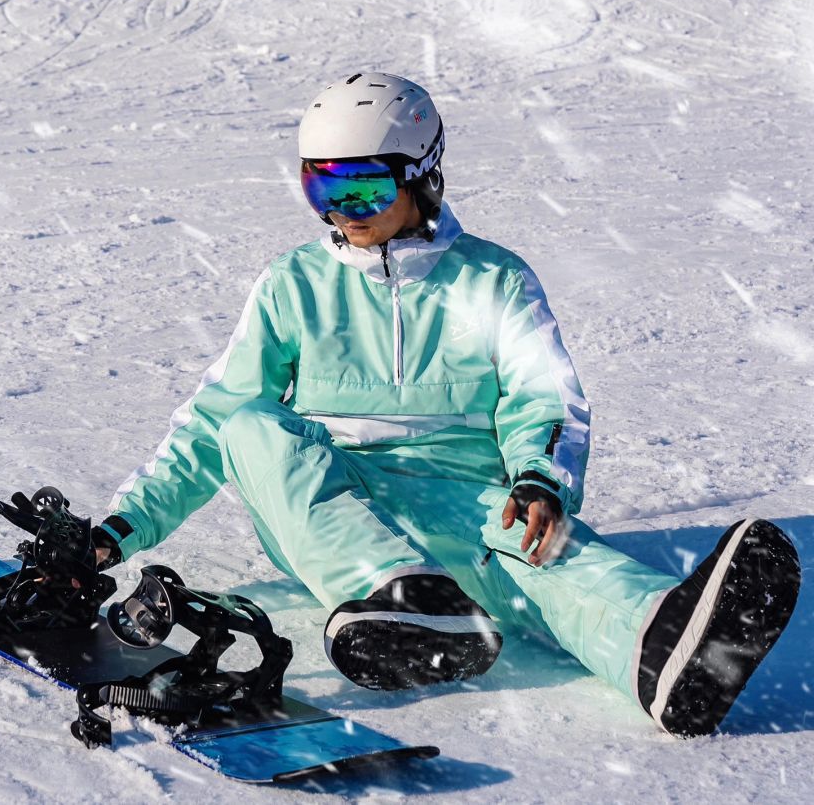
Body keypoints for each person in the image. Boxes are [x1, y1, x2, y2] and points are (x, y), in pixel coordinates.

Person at [88, 72, 800, 736]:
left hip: (462, 498)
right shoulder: (295, 283)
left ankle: (665, 653)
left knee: (538, 546)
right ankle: (393, 594)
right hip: (332, 501)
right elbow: (214, 420)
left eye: (362, 188)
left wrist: (537, 480)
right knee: (252, 427)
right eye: (321, 188)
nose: (341, 210)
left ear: (421, 176)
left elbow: (541, 394)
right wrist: (119, 530)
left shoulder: (492, 278)